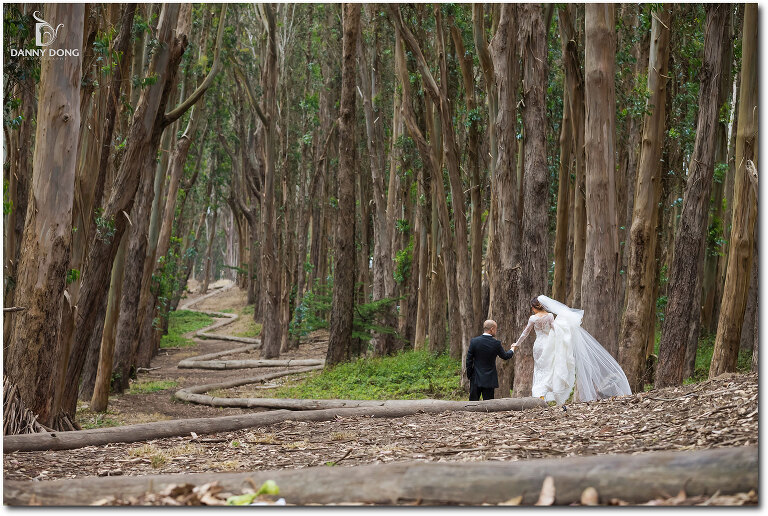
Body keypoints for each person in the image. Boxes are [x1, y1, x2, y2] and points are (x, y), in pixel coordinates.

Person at [512, 295, 631, 406]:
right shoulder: (549, 316)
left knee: (539, 370)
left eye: (532, 307)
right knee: (549, 369)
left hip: (538, 345)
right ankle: (543, 394)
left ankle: (539, 394)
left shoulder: (533, 318)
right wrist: (566, 333)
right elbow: (556, 329)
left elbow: (525, 333)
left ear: (534, 307)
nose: (532, 310)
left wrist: (516, 344)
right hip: (549, 345)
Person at [465, 320, 515, 401]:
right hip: (489, 378)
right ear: (492, 329)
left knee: (472, 404)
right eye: (496, 329)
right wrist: (512, 349)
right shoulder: (496, 343)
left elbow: (469, 360)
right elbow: (505, 356)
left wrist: (470, 375)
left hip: (476, 377)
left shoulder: (474, 341)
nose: (496, 331)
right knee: (488, 405)